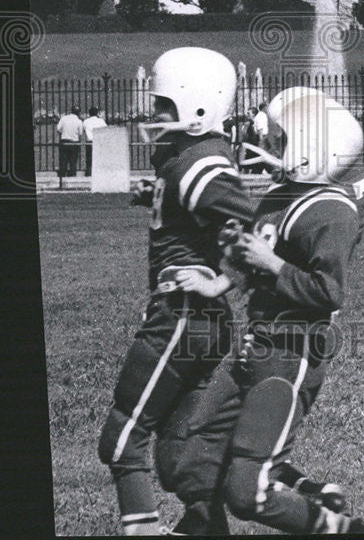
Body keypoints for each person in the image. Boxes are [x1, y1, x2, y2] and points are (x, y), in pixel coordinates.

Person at [172, 87, 364, 535]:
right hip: (255, 344)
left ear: (310, 149)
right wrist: (224, 276)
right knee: (195, 461)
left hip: (290, 351)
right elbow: (257, 250)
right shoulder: (283, 194)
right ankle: (297, 495)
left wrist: (274, 265)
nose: (268, 145)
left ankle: (340, 528)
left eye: (280, 139)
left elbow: (330, 292)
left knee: (247, 493)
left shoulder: (331, 211)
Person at [97, 46, 256, 536]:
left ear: (198, 109)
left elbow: (261, 232)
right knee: (181, 455)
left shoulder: (199, 164)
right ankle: (203, 527)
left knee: (122, 438)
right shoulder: (186, 159)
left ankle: (142, 528)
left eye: (163, 105)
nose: (152, 115)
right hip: (198, 321)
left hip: (183, 314)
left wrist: (222, 280)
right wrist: (159, 193)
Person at [56, 104, 83, 177]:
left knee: (63, 161)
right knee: (73, 162)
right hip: (74, 142)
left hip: (64, 141)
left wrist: (63, 132)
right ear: (79, 113)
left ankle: (62, 177)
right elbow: (80, 133)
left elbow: (58, 129)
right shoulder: (79, 121)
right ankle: (72, 177)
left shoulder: (64, 118)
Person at [82, 106, 107, 177]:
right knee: (99, 159)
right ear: (97, 113)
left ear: (89, 113)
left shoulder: (86, 121)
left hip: (90, 142)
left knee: (89, 160)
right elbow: (105, 129)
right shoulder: (101, 121)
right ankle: (100, 174)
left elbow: (83, 130)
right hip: (99, 141)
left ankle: (89, 174)